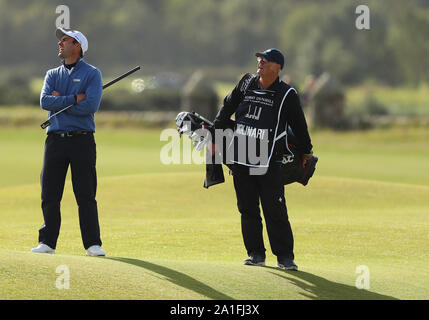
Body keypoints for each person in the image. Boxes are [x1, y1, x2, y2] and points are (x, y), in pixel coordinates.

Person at [213, 48, 313, 270]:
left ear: (276, 68)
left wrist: (306, 150)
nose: (259, 63)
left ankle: (285, 258)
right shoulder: (246, 83)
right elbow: (227, 107)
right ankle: (255, 254)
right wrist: (215, 133)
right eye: (259, 60)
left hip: (270, 161)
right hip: (241, 155)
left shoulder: (288, 94)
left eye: (265, 61)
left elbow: (299, 125)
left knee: (275, 211)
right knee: (247, 209)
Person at [31, 28, 105, 256]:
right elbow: (45, 101)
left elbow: (90, 106)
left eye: (65, 40)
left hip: (82, 140)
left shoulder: (92, 74)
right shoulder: (52, 74)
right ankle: (47, 243)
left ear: (78, 46)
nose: (60, 43)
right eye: (61, 40)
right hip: (55, 140)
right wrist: (75, 98)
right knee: (50, 193)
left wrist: (60, 100)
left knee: (85, 194)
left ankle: (93, 244)